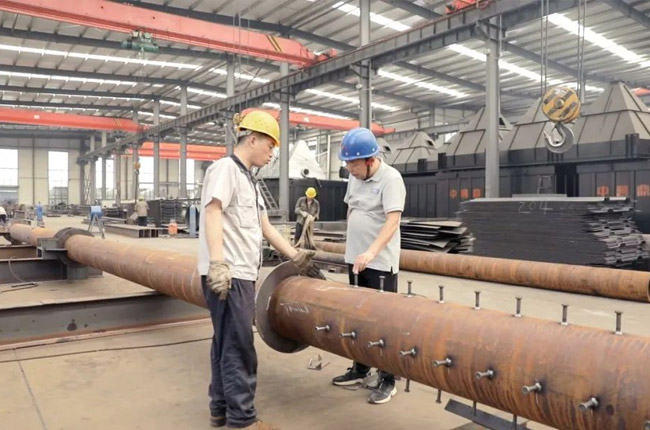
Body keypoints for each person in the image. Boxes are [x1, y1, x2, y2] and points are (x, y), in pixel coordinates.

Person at [198, 110, 322, 430]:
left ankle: (220, 409)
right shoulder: (225, 169)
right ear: (252, 139)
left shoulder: (250, 181)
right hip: (229, 275)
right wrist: (217, 263)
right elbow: (213, 211)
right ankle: (243, 420)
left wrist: (295, 256)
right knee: (239, 346)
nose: (271, 154)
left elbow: (265, 227)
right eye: (269, 146)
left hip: (241, 273)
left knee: (225, 342)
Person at [331, 127, 406, 405]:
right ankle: (360, 367)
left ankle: (388, 378)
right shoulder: (354, 177)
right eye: (347, 164)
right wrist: (353, 247)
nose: (349, 169)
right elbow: (351, 209)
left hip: (380, 264)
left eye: (353, 164)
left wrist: (371, 252)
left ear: (370, 160)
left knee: (383, 321)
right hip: (356, 260)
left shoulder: (391, 179)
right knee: (358, 317)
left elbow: (392, 221)